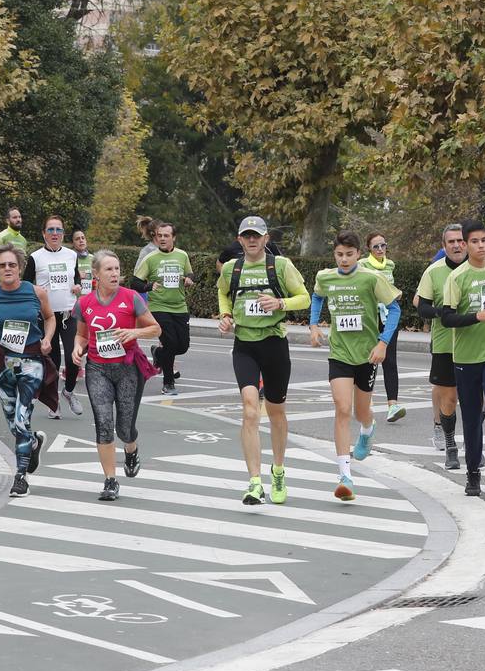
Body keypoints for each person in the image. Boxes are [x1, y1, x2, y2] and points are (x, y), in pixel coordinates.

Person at [217, 216, 310, 505]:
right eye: (247, 235)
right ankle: (254, 482)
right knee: (249, 410)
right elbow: (223, 292)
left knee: (276, 412)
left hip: (274, 344)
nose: (252, 240)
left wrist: (280, 303)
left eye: (257, 235)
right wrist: (226, 315)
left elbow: (304, 298)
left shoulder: (280, 266)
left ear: (266, 238)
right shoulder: (233, 268)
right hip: (244, 345)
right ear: (240, 239)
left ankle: (278, 470)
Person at [311, 230, 402, 500]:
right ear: (334, 255)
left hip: (367, 355)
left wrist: (383, 342)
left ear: (358, 255)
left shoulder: (370, 278)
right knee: (342, 408)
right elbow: (317, 297)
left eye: (349, 254)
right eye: (339, 254)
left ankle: (368, 429)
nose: (344, 259)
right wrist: (314, 325)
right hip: (339, 353)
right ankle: (345, 475)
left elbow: (395, 308)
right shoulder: (325, 277)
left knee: (362, 412)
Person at [72, 250, 161, 501]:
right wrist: (77, 348)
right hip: (97, 368)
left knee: (124, 428)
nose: (115, 273)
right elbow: (81, 334)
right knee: (103, 424)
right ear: (97, 274)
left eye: (117, 269)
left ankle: (131, 449)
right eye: (109, 269)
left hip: (127, 369)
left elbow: (155, 328)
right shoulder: (85, 303)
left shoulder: (131, 298)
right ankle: (110, 480)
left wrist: (134, 333)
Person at [438, 219, 485, 500]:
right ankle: (473, 473)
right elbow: (447, 317)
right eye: (474, 242)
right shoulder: (457, 277)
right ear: (466, 245)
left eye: (484, 241)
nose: (480, 246)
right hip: (466, 357)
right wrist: (475, 317)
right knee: (471, 419)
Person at [0, 245, 56, 497]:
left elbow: (50, 318)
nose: (7, 269)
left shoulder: (36, 292)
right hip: (2, 364)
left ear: (20, 268)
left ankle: (20, 478)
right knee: (12, 420)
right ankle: (32, 442)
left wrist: (47, 339)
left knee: (21, 418)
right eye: (2, 265)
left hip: (32, 361)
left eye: (12, 265)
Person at [414, 224, 467, 469]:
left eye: (460, 240)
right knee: (449, 397)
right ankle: (448, 440)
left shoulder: (483, 269)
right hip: (446, 344)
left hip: (477, 345)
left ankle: (473, 442)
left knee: (481, 399)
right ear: (444, 246)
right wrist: (443, 313)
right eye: (451, 242)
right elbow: (421, 306)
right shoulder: (433, 271)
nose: (457, 245)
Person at [25, 215, 84, 417]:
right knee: (53, 361)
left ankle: (68, 391)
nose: (55, 233)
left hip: (69, 313)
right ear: (44, 234)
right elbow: (25, 285)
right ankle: (54, 402)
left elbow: (75, 276)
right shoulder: (35, 257)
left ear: (63, 233)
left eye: (58, 230)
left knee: (73, 357)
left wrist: (77, 285)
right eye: (50, 230)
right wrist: (34, 294)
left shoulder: (71, 255)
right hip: (47, 316)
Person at [132, 221, 195, 396]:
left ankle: (158, 353)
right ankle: (168, 383)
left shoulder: (182, 255)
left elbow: (189, 273)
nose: (162, 238)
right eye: (159, 235)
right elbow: (135, 282)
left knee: (182, 346)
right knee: (171, 343)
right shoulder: (150, 258)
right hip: (159, 306)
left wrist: (189, 279)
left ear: (173, 237)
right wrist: (148, 286)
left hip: (179, 306)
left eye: (166, 235)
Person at [357, 232, 405, 422]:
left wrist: (395, 295)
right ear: (369, 248)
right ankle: (363, 402)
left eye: (383, 245)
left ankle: (393, 405)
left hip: (388, 318)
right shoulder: (362, 265)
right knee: (365, 361)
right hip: (369, 318)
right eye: (376, 246)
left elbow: (389, 289)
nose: (380, 249)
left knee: (390, 361)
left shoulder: (390, 264)